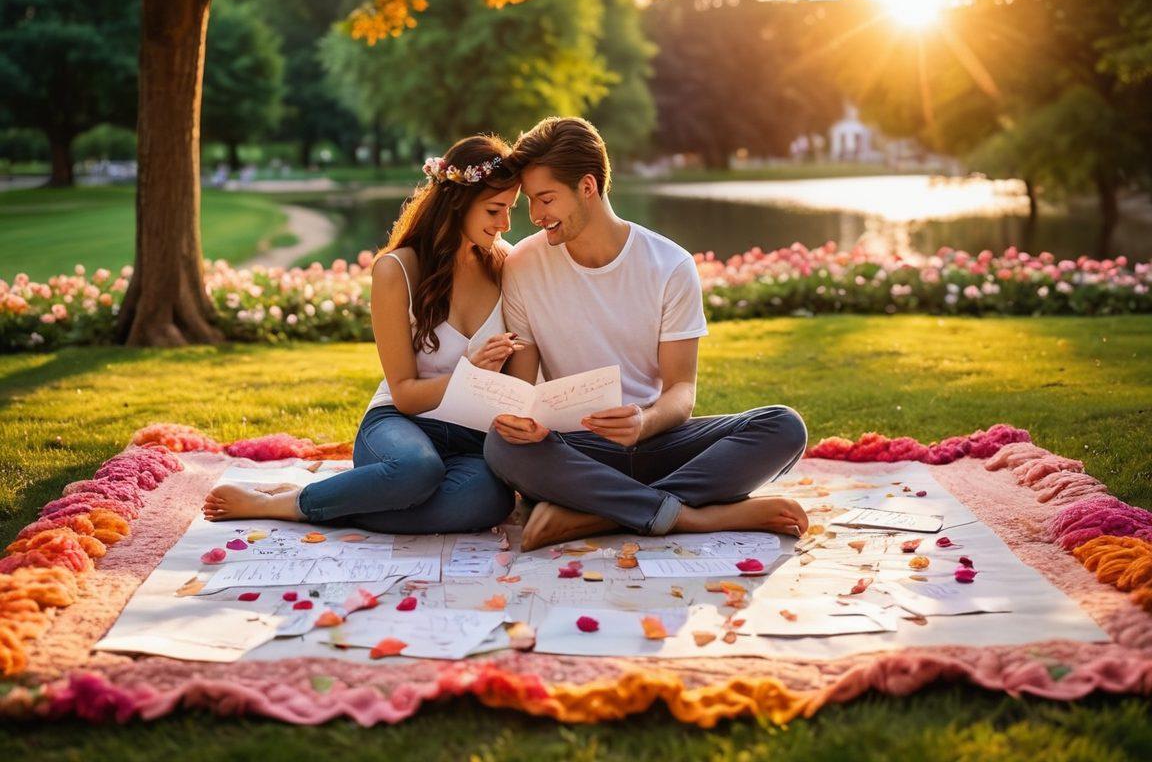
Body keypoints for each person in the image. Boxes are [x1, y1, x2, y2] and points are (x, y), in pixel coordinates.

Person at [486, 117, 810, 551]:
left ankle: (592, 517)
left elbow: (681, 390)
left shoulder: (669, 265)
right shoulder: (523, 266)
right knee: (501, 446)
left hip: (657, 442)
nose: (536, 216)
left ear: (587, 186)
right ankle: (691, 516)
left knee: (783, 427)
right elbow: (523, 389)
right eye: (531, 202)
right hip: (577, 450)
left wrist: (645, 422)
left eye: (546, 199)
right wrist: (523, 420)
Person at [202, 136, 521, 533]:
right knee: (416, 470)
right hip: (401, 427)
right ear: (457, 201)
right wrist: (470, 371)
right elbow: (404, 393)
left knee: (488, 499)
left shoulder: (505, 263)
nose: (506, 223)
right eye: (495, 209)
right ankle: (291, 503)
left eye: (510, 208)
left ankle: (335, 499)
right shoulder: (397, 270)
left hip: (468, 439)